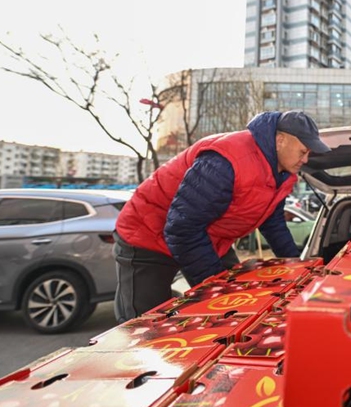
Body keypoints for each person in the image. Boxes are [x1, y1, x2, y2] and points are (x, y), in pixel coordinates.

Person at [113, 110, 330, 323]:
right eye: (303, 151)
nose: (306, 159)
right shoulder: (227, 160)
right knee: (143, 325)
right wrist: (218, 289)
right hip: (147, 234)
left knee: (236, 310)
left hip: (208, 237)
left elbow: (272, 222)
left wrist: (299, 267)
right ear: (280, 140)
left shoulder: (282, 174)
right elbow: (183, 228)